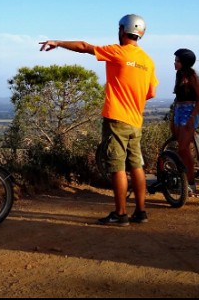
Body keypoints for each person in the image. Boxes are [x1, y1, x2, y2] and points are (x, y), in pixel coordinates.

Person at [40, 14, 158, 226]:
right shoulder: (148, 61)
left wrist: (57, 42)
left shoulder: (118, 51)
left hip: (116, 120)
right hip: (135, 121)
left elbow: (85, 46)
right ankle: (141, 212)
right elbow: (151, 93)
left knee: (117, 167)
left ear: (122, 30)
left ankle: (121, 213)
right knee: (136, 166)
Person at [172, 49, 199, 195]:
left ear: (184, 62)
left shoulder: (192, 76)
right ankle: (185, 180)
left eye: (177, 60)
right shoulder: (179, 75)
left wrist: (192, 117)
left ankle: (191, 182)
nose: (175, 62)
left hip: (189, 112)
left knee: (183, 149)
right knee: (182, 149)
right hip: (179, 111)